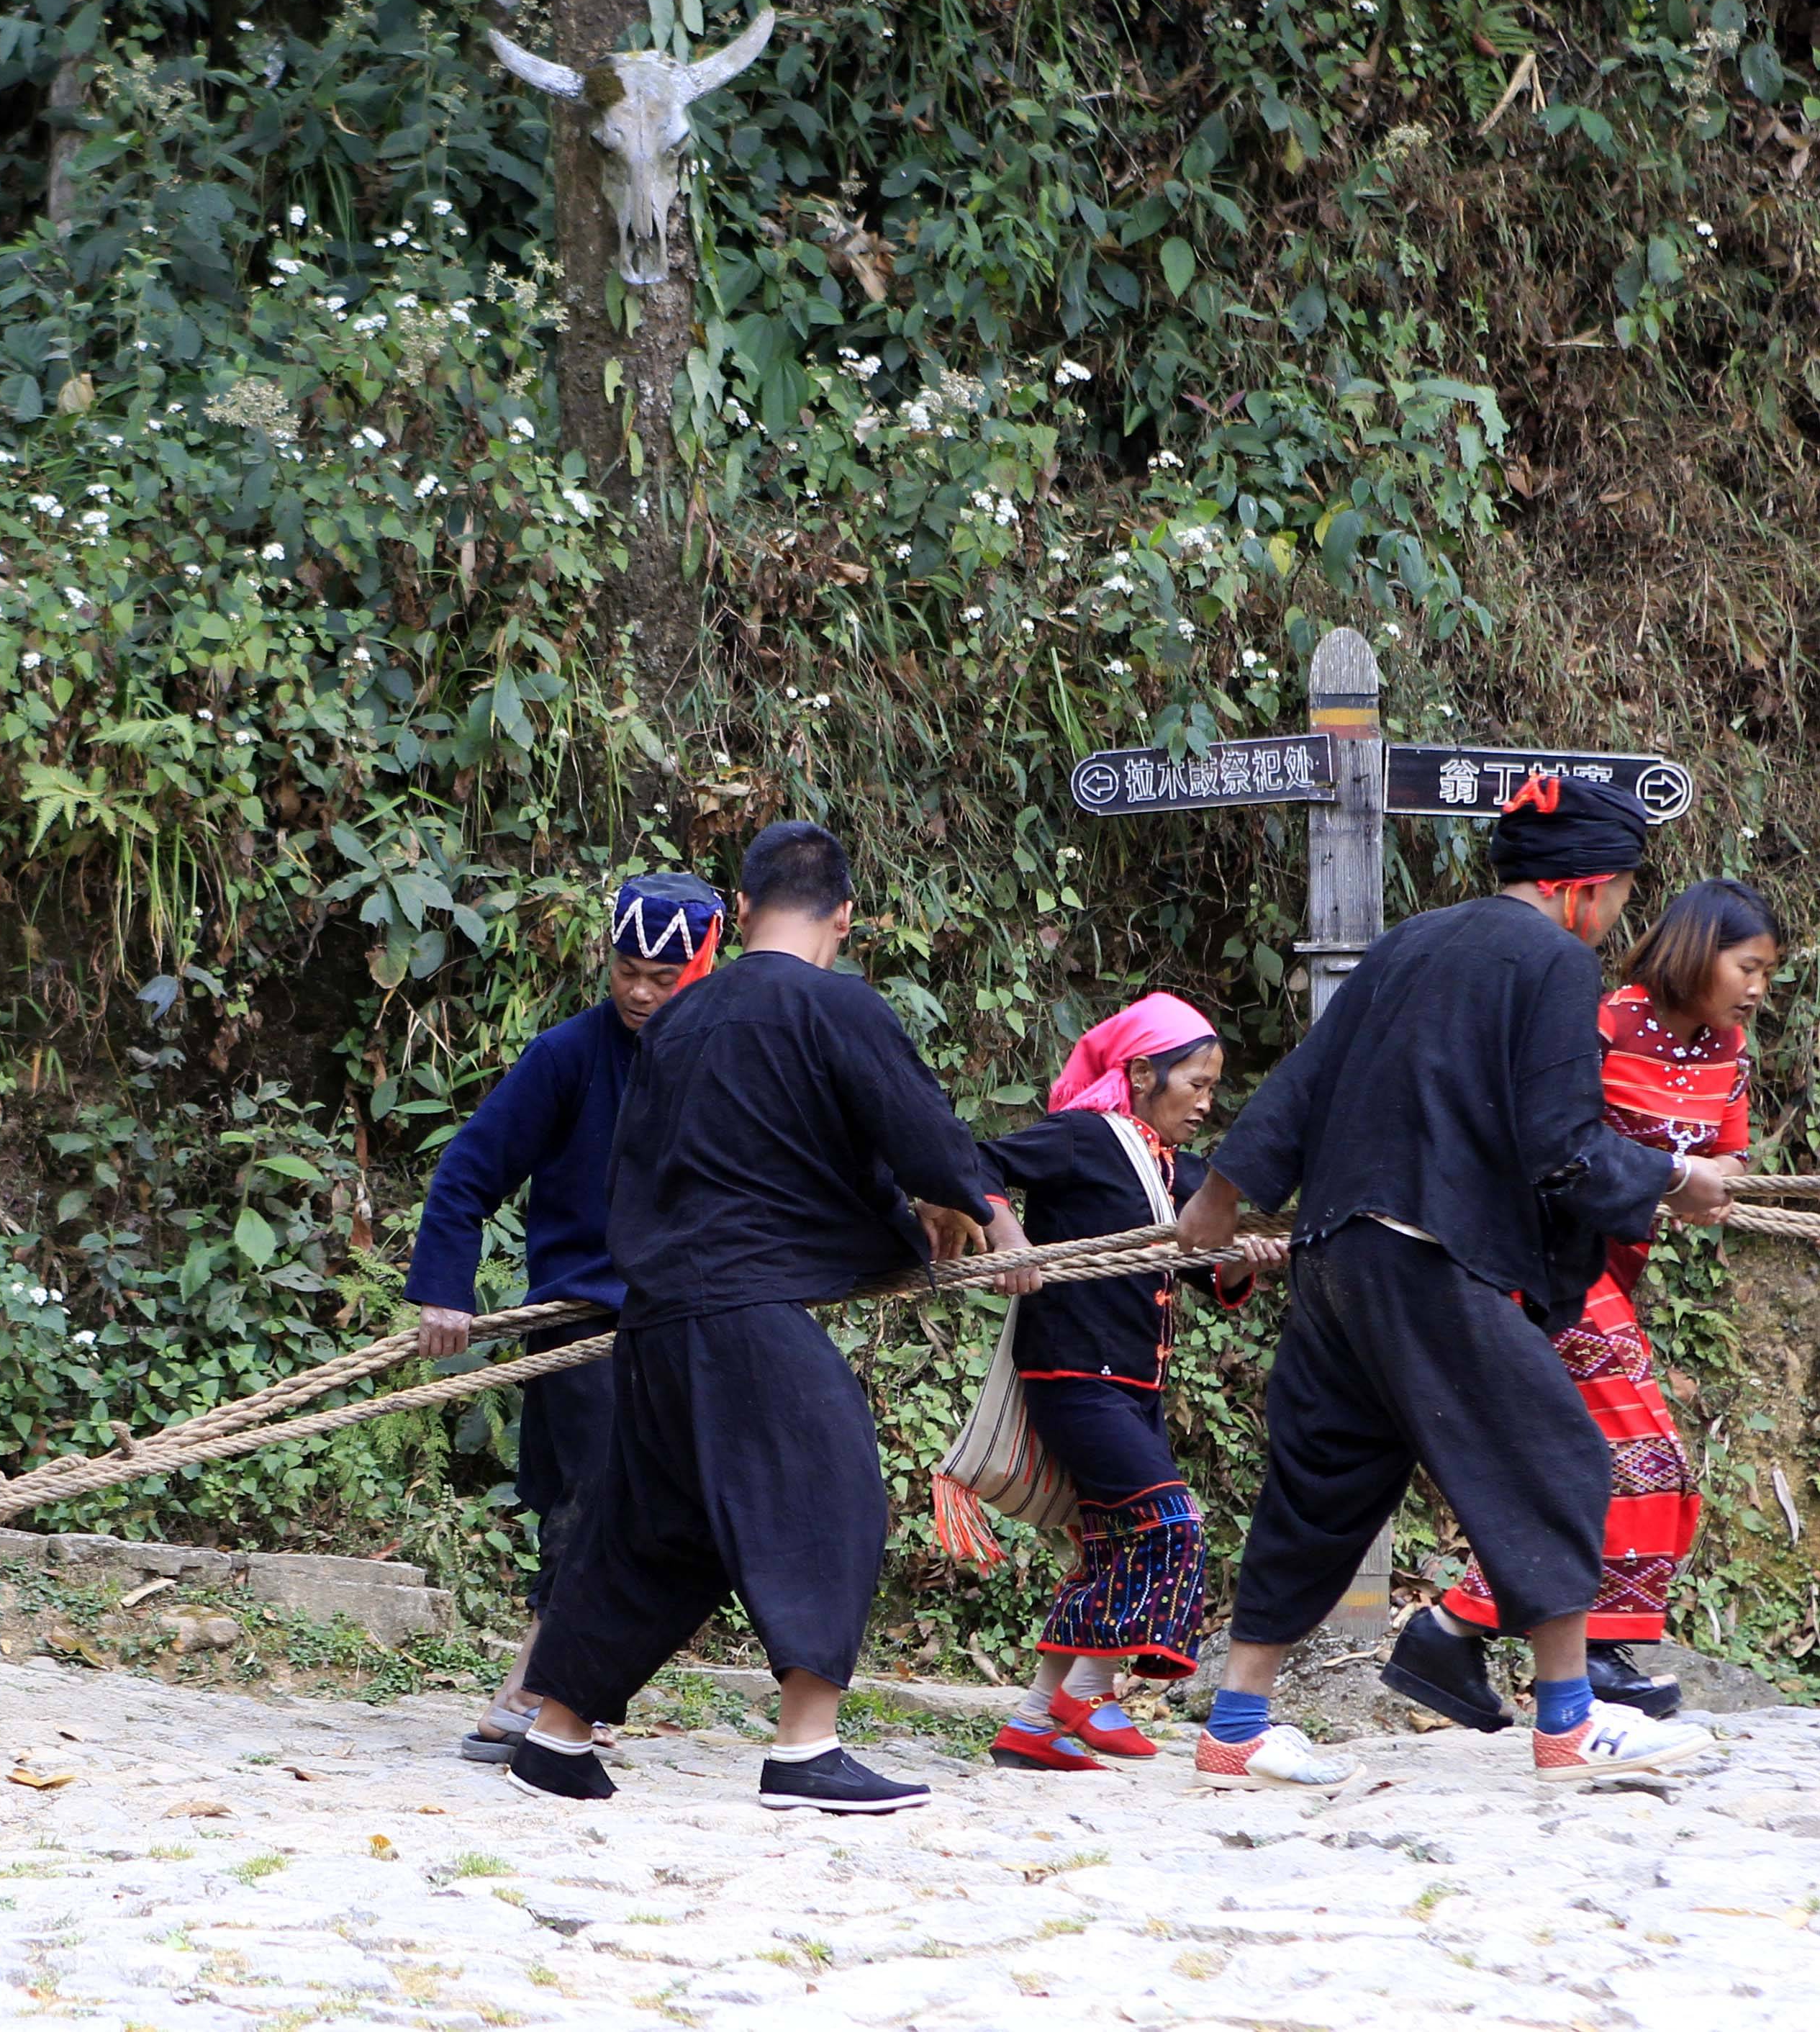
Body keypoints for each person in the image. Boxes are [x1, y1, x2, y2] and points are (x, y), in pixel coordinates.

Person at [1177, 774, 1732, 1788]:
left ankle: (1237, 1722)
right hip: (1431, 1254)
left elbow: (1303, 1081)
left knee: (1324, 1482)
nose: (1612, 924)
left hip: (1335, 1252)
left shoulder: (1408, 942)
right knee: (1557, 1451)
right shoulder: (1553, 962)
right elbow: (1560, 1148)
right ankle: (1569, 1719)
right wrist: (1670, 1177)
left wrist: (1216, 1200)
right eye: (1615, 900)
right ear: (1584, 889)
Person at [510, 821, 1033, 1813]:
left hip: (656, 1316)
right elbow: (909, 1123)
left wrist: (906, 1225)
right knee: (827, 1486)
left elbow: (771, 1159)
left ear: (739, 912)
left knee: (658, 1529)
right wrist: (988, 1212)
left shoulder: (675, 1023)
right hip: (736, 1309)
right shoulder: (830, 1004)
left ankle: (556, 1731)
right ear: (842, 916)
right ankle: (804, 1748)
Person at [1388, 878, 1784, 1730]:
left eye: (1765, 973)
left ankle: (1453, 1628)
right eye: (1746, 965)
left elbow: (1729, 1158)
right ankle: (1584, 1654)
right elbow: (1549, 1135)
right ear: (1696, 949)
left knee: (1629, 1471)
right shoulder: (1603, 1021)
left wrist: (1711, 1185)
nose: (1756, 987)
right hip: (1544, 1265)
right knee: (1640, 1456)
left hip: (1613, 1275)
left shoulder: (1729, 1049)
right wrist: (1669, 1180)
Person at [405, 873, 727, 1764]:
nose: (639, 992)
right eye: (627, 970)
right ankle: (534, 1689)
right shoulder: (567, 1056)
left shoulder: (728, 1059)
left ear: (703, 968)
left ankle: (570, 1691)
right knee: (591, 1505)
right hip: (585, 1322)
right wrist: (445, 1290)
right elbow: (468, 1171)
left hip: (693, 1323)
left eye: (664, 979)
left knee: (676, 1512)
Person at [965, 995, 1279, 1774]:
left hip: (1135, 1387)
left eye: (1212, 1088)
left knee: (1112, 1547)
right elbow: (976, 1162)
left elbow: (1209, 1273)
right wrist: (1006, 1234)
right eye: (1195, 1085)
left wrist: (1243, 1258)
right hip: (1073, 1376)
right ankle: (1084, 1697)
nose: (1206, 1104)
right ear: (1141, 1075)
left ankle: (1039, 1721)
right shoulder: (1081, 1140)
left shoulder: (1188, 1175)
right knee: (1170, 1524)